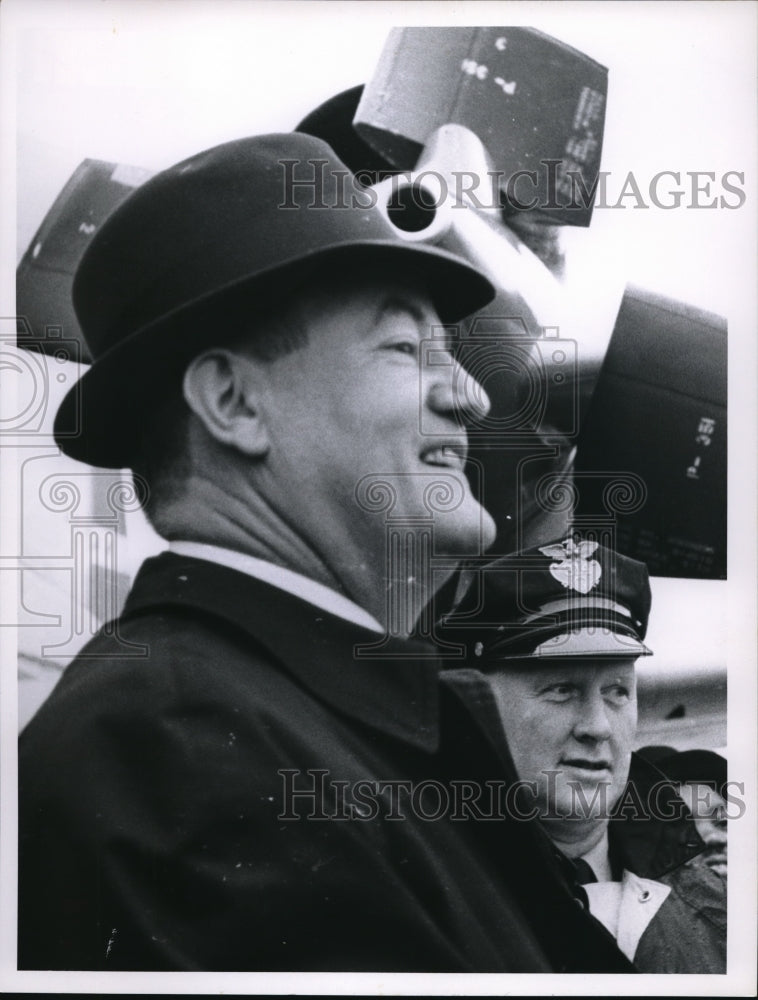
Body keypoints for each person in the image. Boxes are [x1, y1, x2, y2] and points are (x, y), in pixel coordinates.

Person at [18, 134, 638, 973]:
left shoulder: (277, 719)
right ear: (235, 402)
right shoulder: (182, 753)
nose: (472, 394)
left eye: (449, 352)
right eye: (405, 350)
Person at [441, 535, 726, 973]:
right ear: (479, 703)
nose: (597, 726)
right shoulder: (432, 900)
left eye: (616, 692)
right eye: (561, 690)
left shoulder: (720, 910)